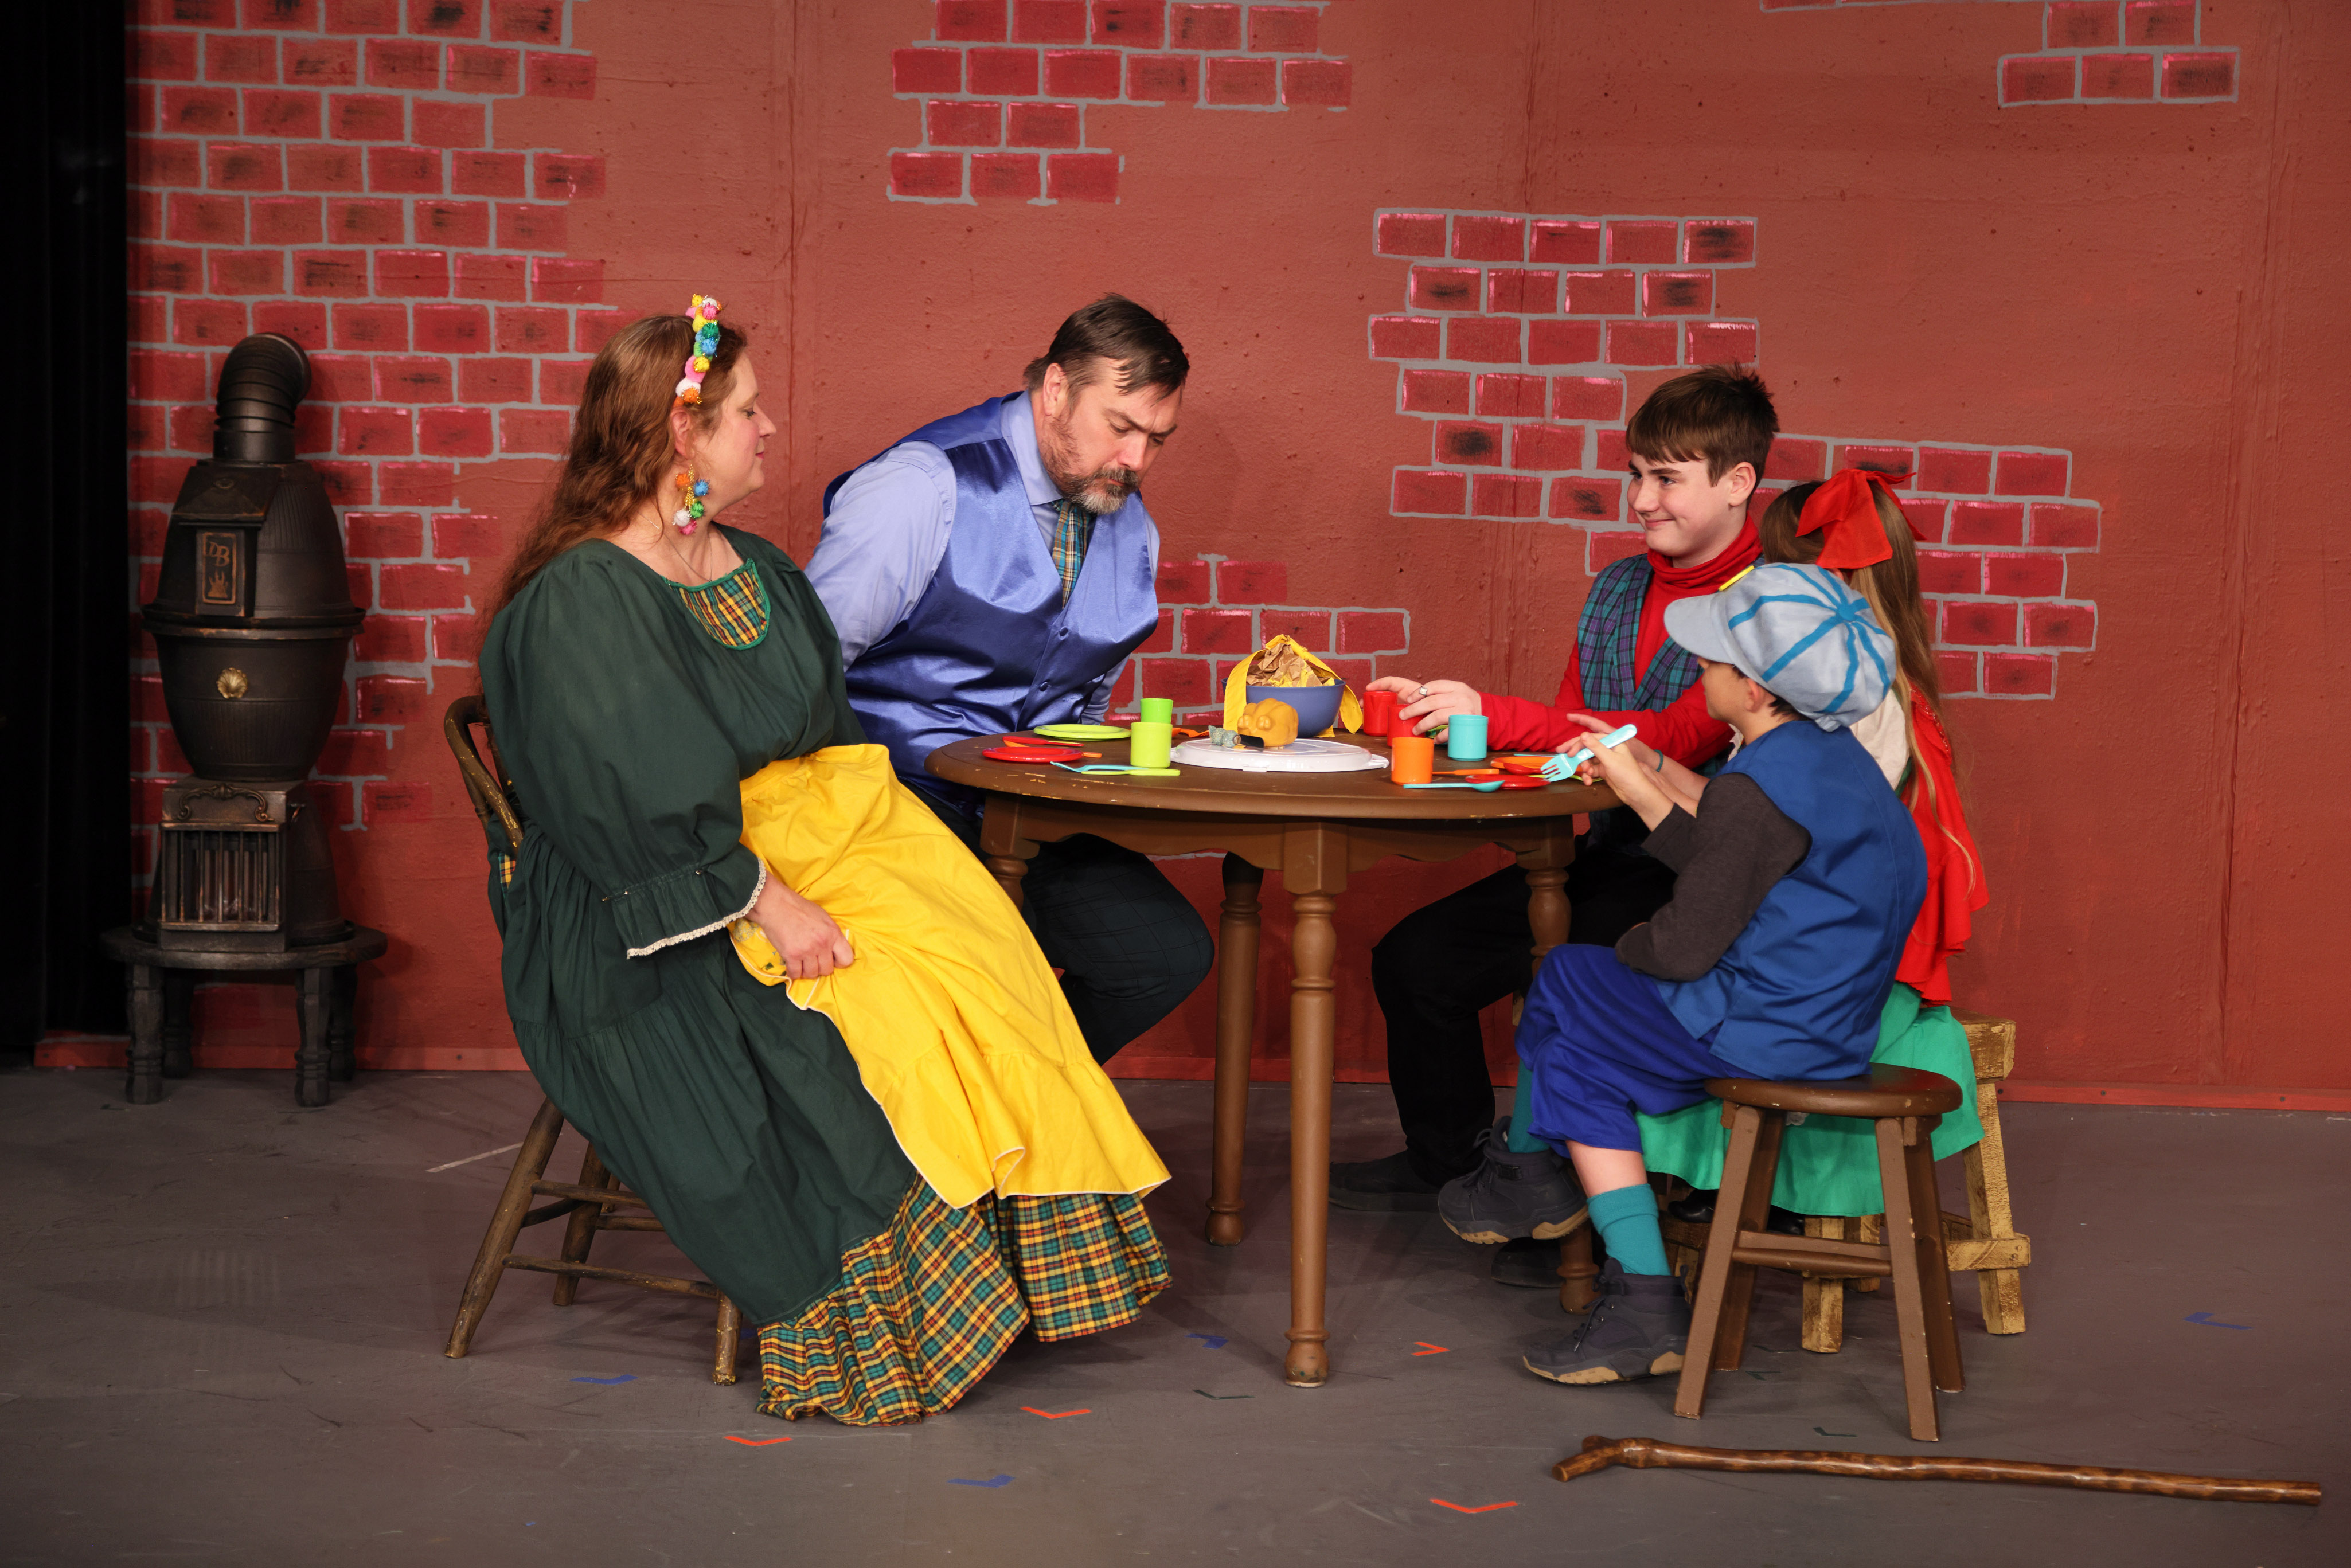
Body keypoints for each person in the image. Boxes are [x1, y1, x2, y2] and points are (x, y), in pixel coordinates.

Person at [477, 300, 1171, 1429]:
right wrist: (769, 901)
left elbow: (820, 746)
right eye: (747, 412)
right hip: (654, 900)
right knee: (871, 999)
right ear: (681, 433)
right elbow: (638, 809)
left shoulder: (751, 565)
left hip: (791, 847)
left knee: (977, 960)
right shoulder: (585, 598)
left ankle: (1007, 1271)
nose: (769, 429)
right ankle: (886, 1319)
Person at [1333, 367, 1779, 1276]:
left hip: (1703, 875)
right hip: (1607, 852)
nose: (1641, 499)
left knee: (1568, 981)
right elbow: (1575, 738)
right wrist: (1450, 728)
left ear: (1739, 482)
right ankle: (1459, 1169)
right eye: (1636, 474)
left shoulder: (1772, 601)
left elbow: (1674, 738)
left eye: (1667, 479)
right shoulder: (1617, 586)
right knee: (1416, 960)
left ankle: (1560, 1194)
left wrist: (1499, 714)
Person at [1450, 564, 1926, 1385]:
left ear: (1754, 688)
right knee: (1574, 1038)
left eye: (1710, 661)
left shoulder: (1755, 789)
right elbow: (1736, 866)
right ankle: (1588, 1243)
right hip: (1832, 1025)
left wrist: (1633, 941)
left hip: (1761, 1031)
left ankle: (1538, 1183)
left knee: (1567, 989)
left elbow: (1680, 948)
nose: (1698, 670)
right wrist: (1648, 770)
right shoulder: (1832, 764)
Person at [806, 295, 1212, 1065]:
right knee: (979, 971)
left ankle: (1012, 1097)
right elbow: (803, 671)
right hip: (896, 801)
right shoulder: (922, 486)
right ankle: (967, 1106)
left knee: (1163, 956)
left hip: (1033, 809)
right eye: (1120, 427)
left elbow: (1088, 696)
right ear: (1056, 389)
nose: (1136, 460)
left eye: (1157, 439)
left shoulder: (1131, 524)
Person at [1628, 470, 1990, 1217]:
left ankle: (1704, 1189)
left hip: (1844, 960)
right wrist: (1653, 769)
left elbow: (1772, 845)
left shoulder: (1841, 704)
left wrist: (1647, 792)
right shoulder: (1849, 689)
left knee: (1633, 968)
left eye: (1777, 567)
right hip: (1843, 932)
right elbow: (1755, 826)